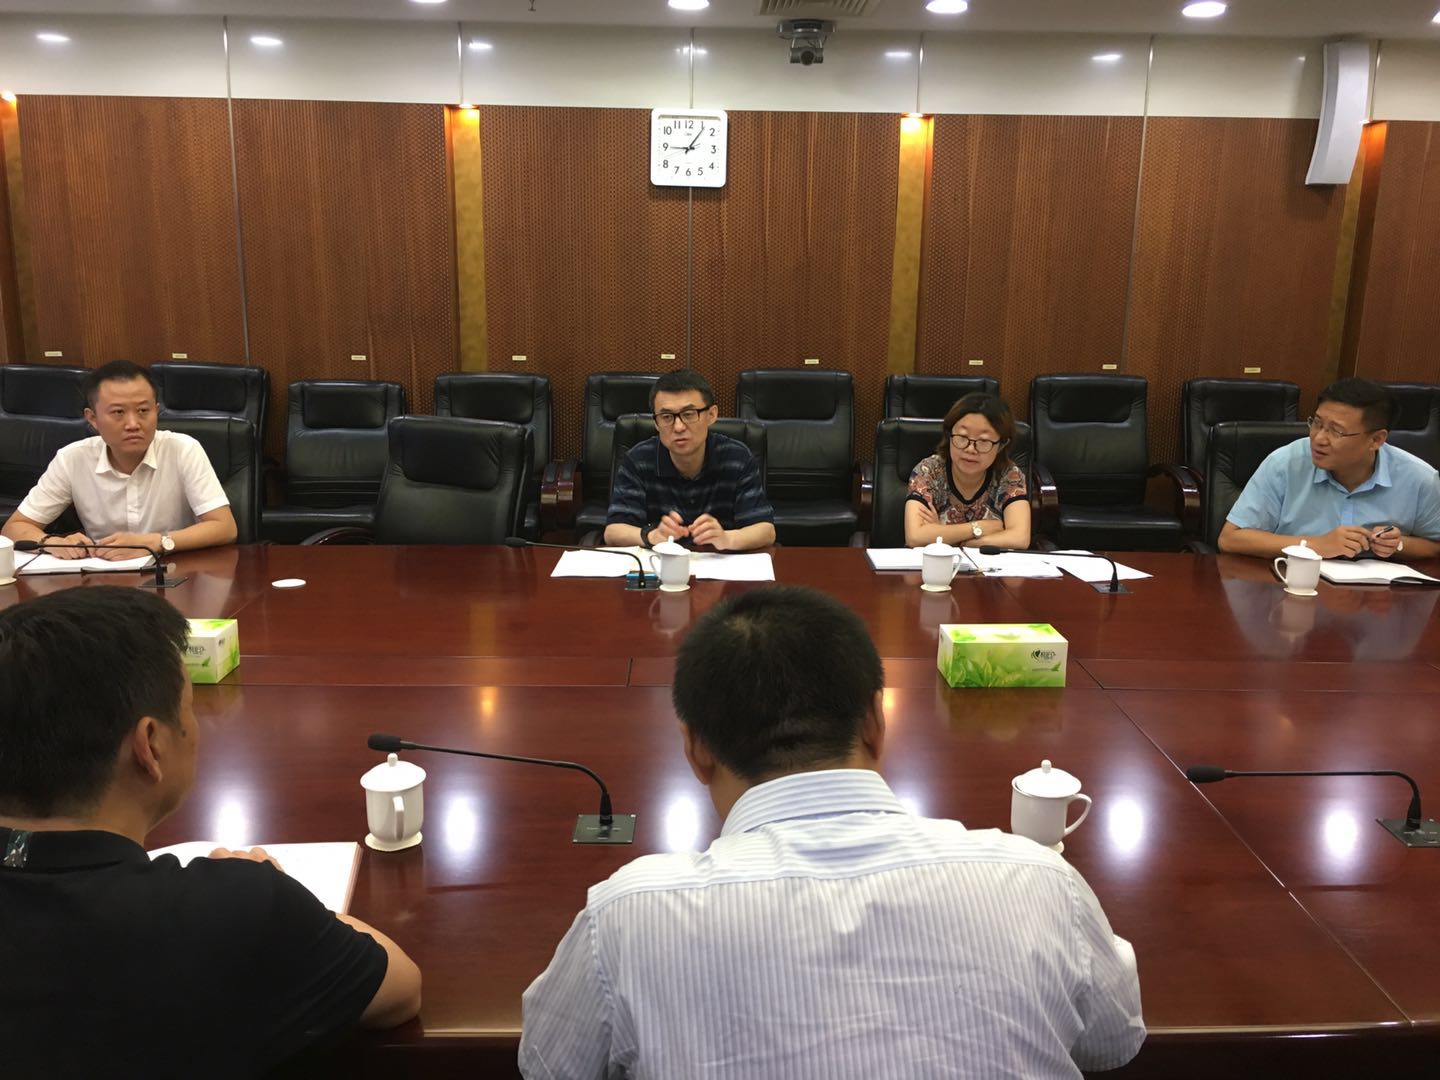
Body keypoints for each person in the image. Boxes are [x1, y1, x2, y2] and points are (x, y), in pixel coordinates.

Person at [519, 586, 1144, 1079]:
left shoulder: (627, 917)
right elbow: (1113, 1042)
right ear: (876, 721)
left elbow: (547, 1065)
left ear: (695, 749)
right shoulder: (1039, 883)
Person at [0, 588, 421, 1076]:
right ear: (150, 746)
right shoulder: (236, 908)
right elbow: (400, 989)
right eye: (189, 708)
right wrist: (282, 895)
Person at [1, 360, 238, 560]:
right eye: (118, 412)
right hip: (103, 577)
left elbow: (224, 527)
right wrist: (51, 543)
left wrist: (157, 542)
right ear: (92, 419)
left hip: (176, 571)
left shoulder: (183, 449)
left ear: (156, 411)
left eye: (143, 411)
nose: (133, 424)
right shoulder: (72, 458)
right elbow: (15, 527)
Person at [1219, 377, 1440, 560]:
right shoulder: (1285, 463)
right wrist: (1315, 545)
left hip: (1376, 596)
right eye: (1317, 423)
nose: (1319, 438)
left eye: (1336, 431)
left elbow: (1435, 546)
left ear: (1376, 440)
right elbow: (1231, 539)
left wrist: (1399, 545)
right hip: (1291, 587)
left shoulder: (1419, 478)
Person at [603, 369, 775, 552]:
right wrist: (652, 536)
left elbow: (766, 531)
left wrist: (727, 538)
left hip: (718, 564)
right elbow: (613, 532)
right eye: (667, 417)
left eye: (689, 414)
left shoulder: (737, 457)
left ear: (711, 415)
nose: (678, 427)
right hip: (660, 565)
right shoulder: (638, 459)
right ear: (656, 423)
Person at [904, 391, 1031, 548]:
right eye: (962, 437)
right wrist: (979, 528)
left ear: (1001, 445)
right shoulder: (929, 470)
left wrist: (945, 535)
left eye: (983, 441)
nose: (971, 449)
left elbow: (1019, 538)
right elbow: (915, 536)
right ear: (949, 435)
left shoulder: (1009, 475)